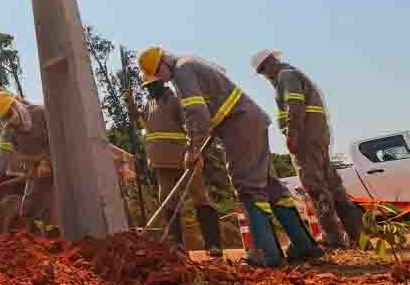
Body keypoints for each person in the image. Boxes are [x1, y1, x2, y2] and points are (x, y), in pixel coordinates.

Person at [138, 46, 323, 266]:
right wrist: (202, 142)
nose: (162, 80)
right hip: (249, 122)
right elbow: (212, 110)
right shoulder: (189, 64)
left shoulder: (181, 71)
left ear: (162, 64)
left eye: (159, 74)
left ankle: (265, 254)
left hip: (240, 127)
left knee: (248, 187)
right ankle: (305, 246)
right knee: (272, 188)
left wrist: (193, 147)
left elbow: (196, 112)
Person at [251, 49, 363, 248]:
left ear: (270, 63)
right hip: (317, 136)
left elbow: (294, 105)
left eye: (263, 70)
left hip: (305, 139)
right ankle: (358, 237)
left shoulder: (285, 76)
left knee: (314, 186)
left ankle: (333, 237)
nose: (264, 75)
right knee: (333, 186)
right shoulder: (293, 73)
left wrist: (293, 135)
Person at [123, 78, 222, 256]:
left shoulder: (175, 100)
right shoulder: (149, 103)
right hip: (160, 163)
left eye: (153, 86)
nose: (150, 89)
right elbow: (141, 125)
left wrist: (194, 150)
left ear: (162, 84)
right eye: (147, 87)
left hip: (184, 160)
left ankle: (213, 245)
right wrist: (131, 105)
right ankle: (176, 245)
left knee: (199, 196)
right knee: (167, 201)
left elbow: (190, 126)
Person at [0, 92, 56, 235]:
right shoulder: (9, 132)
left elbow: (59, 139)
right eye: (5, 118)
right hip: (35, 172)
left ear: (17, 105)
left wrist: (47, 162)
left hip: (60, 166)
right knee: (28, 210)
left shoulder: (42, 114)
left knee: (58, 206)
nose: (10, 121)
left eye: (9, 114)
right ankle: (37, 239)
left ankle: (58, 235)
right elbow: (2, 158)